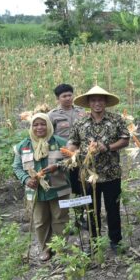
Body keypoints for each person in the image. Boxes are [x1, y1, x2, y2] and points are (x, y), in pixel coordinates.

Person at [67, 86, 129, 252]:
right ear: (89, 103)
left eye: (100, 100)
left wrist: (107, 147)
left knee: (113, 209)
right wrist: (74, 153)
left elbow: (125, 139)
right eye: (93, 100)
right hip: (88, 175)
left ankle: (116, 241)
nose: (97, 103)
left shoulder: (116, 120)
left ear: (105, 102)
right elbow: (72, 143)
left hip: (111, 173)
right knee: (91, 210)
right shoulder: (80, 122)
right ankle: (94, 243)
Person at [13, 113, 71, 261]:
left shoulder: (60, 142)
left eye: (43, 124)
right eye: (36, 124)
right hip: (36, 191)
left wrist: (58, 165)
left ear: (49, 125)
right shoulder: (23, 146)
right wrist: (26, 179)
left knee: (60, 218)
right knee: (40, 221)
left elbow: (71, 160)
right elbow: (17, 167)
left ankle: (60, 249)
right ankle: (45, 249)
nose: (39, 127)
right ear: (31, 127)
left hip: (59, 188)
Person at [48, 83, 87, 226]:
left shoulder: (81, 112)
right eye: (64, 96)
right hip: (62, 158)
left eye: (70, 95)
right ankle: (63, 221)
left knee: (80, 186)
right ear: (58, 99)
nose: (68, 98)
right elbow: (49, 137)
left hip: (80, 156)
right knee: (63, 188)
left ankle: (79, 217)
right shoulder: (52, 115)